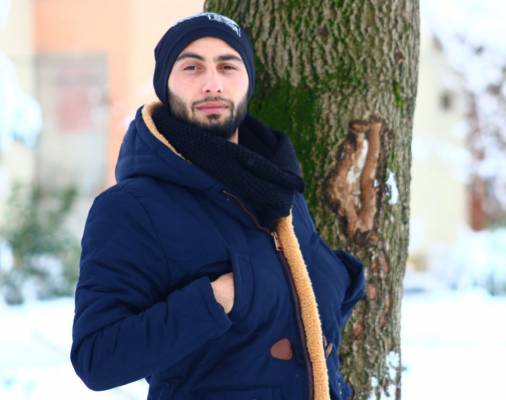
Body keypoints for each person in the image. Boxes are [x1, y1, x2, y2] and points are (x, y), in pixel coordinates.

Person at [70, 12, 365, 400]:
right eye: (191, 67)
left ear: (248, 81)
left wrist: (339, 279)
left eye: (228, 66)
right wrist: (216, 299)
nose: (212, 83)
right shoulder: (130, 208)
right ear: (165, 84)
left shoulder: (278, 187)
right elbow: (97, 358)